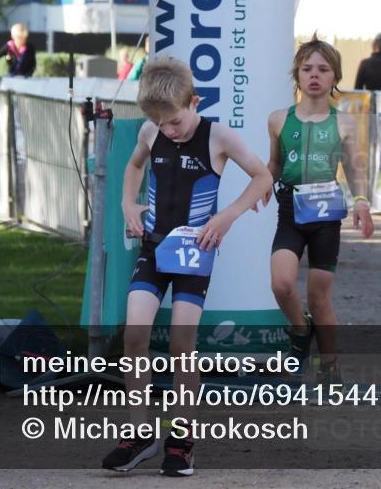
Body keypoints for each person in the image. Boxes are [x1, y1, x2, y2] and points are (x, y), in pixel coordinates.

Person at [101, 57, 271, 476]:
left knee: (181, 346)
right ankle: (139, 433)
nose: (169, 131)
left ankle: (181, 440)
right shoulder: (150, 129)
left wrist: (227, 215)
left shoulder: (218, 136)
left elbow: (262, 177)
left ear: (193, 101)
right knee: (135, 334)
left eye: (175, 121)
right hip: (154, 248)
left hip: (195, 253)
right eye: (161, 125)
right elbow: (135, 164)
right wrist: (127, 203)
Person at [265, 36, 374, 385]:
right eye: (307, 68)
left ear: (335, 77)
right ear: (296, 75)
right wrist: (260, 186)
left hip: (327, 215)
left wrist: (361, 202)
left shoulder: (344, 123)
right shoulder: (278, 120)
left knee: (319, 295)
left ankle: (330, 366)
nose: (314, 75)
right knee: (281, 283)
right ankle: (300, 329)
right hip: (290, 209)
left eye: (323, 69)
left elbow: (355, 168)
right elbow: (274, 164)